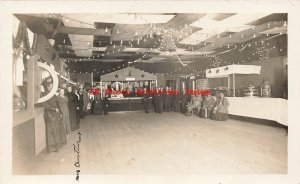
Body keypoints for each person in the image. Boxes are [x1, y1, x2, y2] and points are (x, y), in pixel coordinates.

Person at [42, 83, 66, 152]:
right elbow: (45, 105)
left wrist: (60, 112)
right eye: (51, 86)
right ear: (47, 87)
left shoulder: (53, 94)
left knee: (57, 131)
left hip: (56, 115)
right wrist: (53, 109)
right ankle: (52, 147)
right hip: (50, 115)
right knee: (51, 132)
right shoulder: (44, 94)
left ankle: (57, 145)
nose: (53, 88)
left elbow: (58, 105)